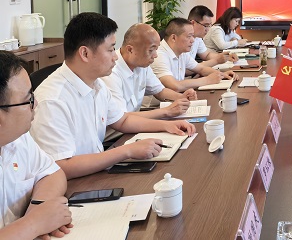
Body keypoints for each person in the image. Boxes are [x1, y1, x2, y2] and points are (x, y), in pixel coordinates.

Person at [30, 13, 196, 180]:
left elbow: (122, 120)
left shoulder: (97, 84)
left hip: (95, 171)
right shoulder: (53, 100)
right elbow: (60, 167)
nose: (116, 56)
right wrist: (127, 151)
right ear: (85, 53)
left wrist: (167, 126)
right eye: (110, 49)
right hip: (73, 183)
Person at [0, 51, 72, 240]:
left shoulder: (17, 138)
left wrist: (40, 210)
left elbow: (52, 173)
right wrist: (32, 224)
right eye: (28, 100)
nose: (36, 104)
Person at [101, 23, 198, 140]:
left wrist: (181, 98)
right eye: (151, 50)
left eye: (156, 49)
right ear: (130, 49)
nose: (155, 55)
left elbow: (160, 91)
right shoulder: (110, 72)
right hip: (115, 138)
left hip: (135, 129)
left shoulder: (142, 64)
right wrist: (166, 111)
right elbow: (123, 119)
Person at [151, 18, 237, 92]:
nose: (192, 40)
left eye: (193, 36)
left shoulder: (181, 52)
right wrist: (207, 80)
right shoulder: (159, 55)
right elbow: (175, 86)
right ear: (174, 38)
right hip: (157, 104)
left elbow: (201, 69)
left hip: (175, 99)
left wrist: (222, 75)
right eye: (189, 36)